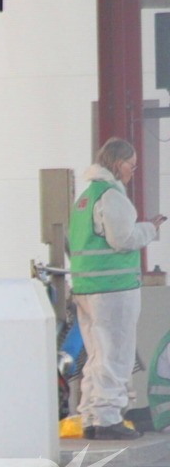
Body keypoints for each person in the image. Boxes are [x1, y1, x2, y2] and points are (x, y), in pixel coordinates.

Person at [69, 137, 166, 440]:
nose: (132, 172)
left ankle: (91, 417)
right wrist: (150, 228)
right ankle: (109, 419)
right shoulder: (112, 197)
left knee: (97, 356)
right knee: (116, 355)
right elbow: (123, 239)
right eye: (130, 165)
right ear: (116, 163)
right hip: (113, 289)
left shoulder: (85, 198)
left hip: (86, 286)